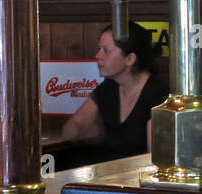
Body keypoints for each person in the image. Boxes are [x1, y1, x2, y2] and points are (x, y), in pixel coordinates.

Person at [62, 23, 169, 159]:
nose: (97, 55)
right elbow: (70, 130)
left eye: (106, 51)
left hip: (136, 178)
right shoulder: (108, 88)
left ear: (129, 59)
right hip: (107, 176)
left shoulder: (158, 95)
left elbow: (153, 161)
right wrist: (91, 133)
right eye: (98, 49)